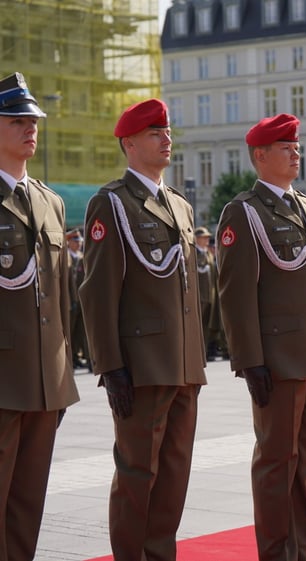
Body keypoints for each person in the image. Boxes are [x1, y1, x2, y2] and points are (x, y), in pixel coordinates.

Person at [79, 98, 206, 561]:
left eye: (167, 132)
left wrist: (197, 359)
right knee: (137, 474)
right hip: (142, 365)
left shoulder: (179, 206)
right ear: (129, 143)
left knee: (174, 474)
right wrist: (110, 366)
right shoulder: (112, 203)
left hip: (183, 364)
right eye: (155, 133)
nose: (166, 139)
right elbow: (97, 292)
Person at [215, 113, 306, 561]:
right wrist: (250, 360)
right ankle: (275, 553)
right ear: (260, 156)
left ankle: (302, 551)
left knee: (305, 465)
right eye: (285, 147)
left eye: (296, 146)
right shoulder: (244, 211)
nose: (295, 153)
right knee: (276, 463)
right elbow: (235, 293)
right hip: (279, 359)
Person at [0, 71, 80, 561]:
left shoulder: (50, 202)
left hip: (44, 380)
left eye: (33, 120)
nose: (30, 128)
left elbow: (60, 295)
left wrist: (62, 373)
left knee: (28, 504)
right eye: (16, 121)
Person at [66, 228, 89, 369]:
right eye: (75, 241)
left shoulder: (81, 257)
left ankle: (77, 356)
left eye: (80, 241)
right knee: (70, 330)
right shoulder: (64, 256)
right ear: (68, 242)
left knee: (81, 331)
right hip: (69, 300)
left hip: (81, 300)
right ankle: (70, 358)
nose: (79, 243)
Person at [194, 226, 217, 360]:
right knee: (198, 325)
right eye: (204, 237)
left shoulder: (208, 253)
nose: (207, 240)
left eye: (208, 237)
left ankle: (204, 352)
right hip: (199, 295)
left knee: (207, 326)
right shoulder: (194, 253)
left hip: (210, 295)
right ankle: (197, 353)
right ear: (197, 239)